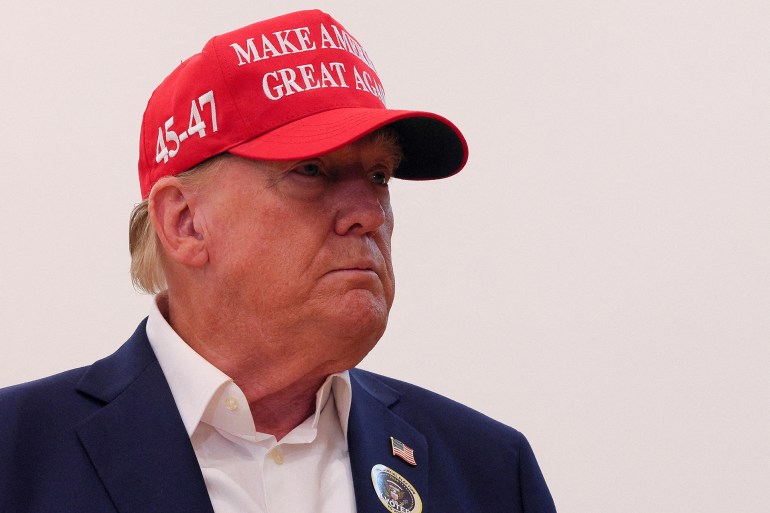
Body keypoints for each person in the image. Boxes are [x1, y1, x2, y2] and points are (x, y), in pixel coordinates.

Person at [0, 9, 556, 513]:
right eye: (311, 170)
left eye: (379, 176)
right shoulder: (17, 457)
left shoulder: (490, 472)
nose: (367, 212)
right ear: (185, 222)